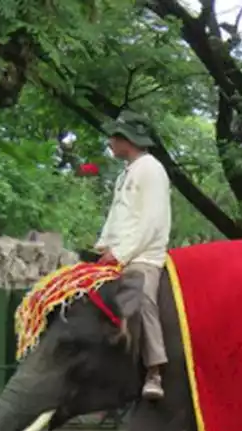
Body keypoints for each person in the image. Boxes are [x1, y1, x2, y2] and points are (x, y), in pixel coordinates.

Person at [94, 111, 172, 401]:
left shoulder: (151, 169)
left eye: (114, 137)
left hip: (143, 256)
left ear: (127, 139)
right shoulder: (127, 172)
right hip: (117, 253)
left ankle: (154, 370)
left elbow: (149, 222)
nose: (110, 142)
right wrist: (103, 247)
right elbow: (119, 217)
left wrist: (121, 254)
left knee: (140, 300)